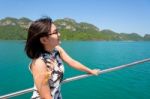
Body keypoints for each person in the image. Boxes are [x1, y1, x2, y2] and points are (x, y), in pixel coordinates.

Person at [25, 17, 100, 99]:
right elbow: (45, 97)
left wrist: (90, 71)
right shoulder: (39, 63)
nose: (59, 34)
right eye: (55, 32)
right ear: (44, 40)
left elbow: (72, 62)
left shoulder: (57, 50)